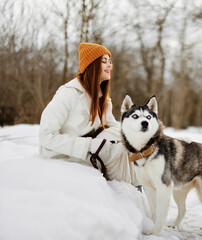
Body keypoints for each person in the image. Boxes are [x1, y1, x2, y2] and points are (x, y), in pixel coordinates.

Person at [39, 42, 137, 184]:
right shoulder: (68, 94)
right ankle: (128, 186)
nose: (110, 65)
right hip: (62, 153)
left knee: (124, 143)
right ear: (92, 66)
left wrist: (134, 136)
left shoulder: (101, 96)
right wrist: (88, 145)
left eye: (110, 61)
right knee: (114, 150)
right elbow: (46, 136)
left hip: (91, 147)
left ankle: (137, 184)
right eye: (104, 61)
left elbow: (111, 125)